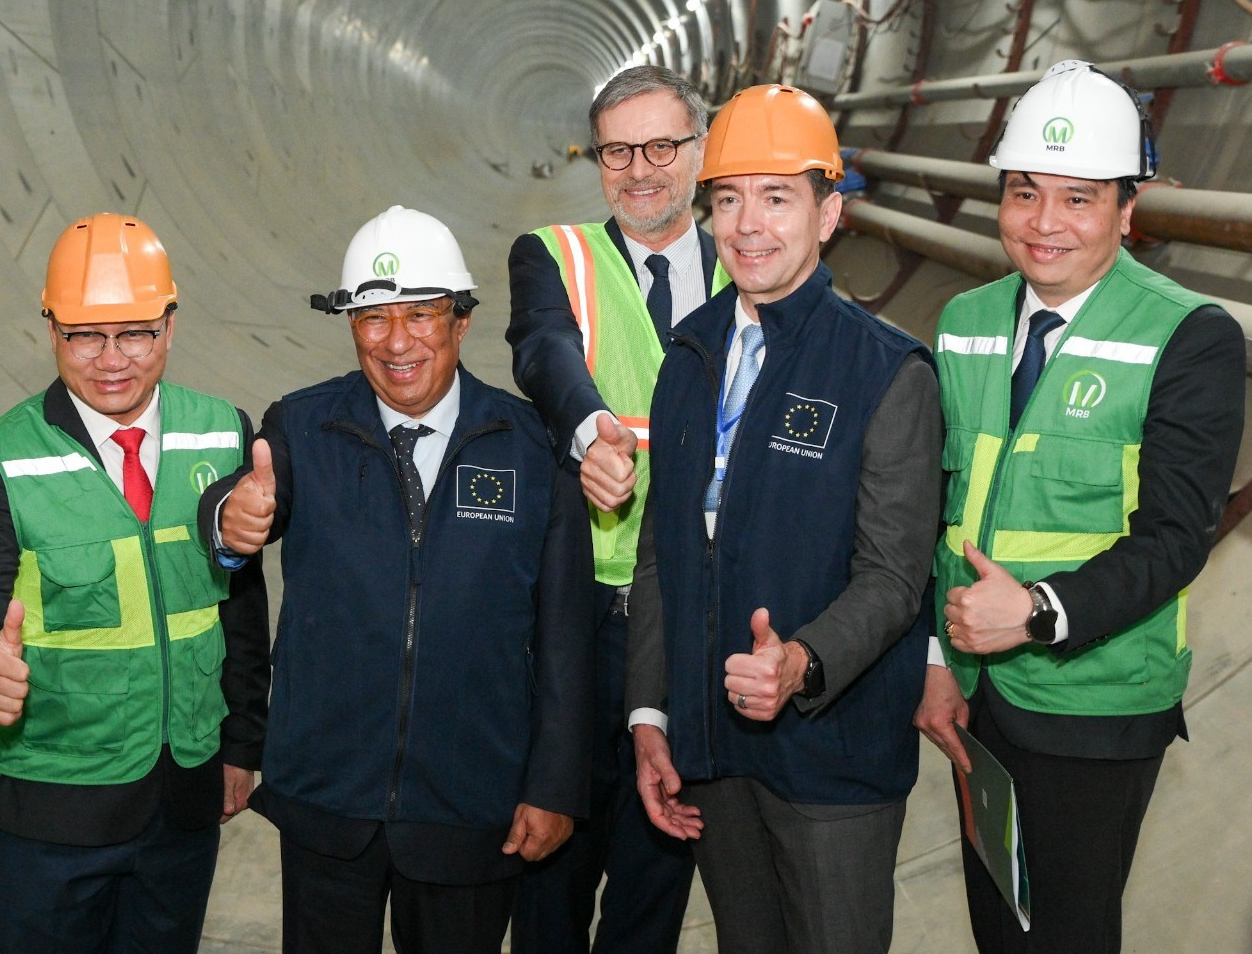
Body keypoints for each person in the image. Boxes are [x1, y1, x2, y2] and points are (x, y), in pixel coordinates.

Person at [914, 60, 1244, 953]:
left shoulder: (1189, 336)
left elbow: (1176, 537)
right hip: (979, 694)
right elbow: (946, 509)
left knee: (1068, 933)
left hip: (1097, 703)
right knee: (999, 924)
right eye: (1025, 194)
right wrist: (941, 656)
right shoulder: (963, 321)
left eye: (1079, 199)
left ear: (1127, 210)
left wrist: (1037, 610)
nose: (1045, 224)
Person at [210, 205, 593, 954]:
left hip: (470, 804)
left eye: (421, 315)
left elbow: (565, 635)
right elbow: (238, 503)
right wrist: (227, 521)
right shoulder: (303, 426)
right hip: (328, 798)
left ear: (461, 320)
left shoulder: (528, 445)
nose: (397, 342)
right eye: (373, 318)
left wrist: (553, 786)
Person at [625, 84, 942, 954]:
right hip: (713, 744)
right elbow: (662, 554)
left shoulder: (885, 370)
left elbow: (894, 576)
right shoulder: (688, 355)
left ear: (829, 212)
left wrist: (803, 660)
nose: (747, 224)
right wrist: (651, 716)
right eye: (728, 199)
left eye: (776, 197)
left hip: (830, 757)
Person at [0, 214, 270, 954]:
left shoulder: (224, 432)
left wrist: (242, 741)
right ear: (50, 330)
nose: (111, 360)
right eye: (85, 334)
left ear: (170, 327)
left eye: (137, 333)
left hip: (184, 797)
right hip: (54, 807)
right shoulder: (1, 455)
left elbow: (239, 605)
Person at [506, 63, 720, 953]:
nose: (641, 169)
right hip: (580, 619)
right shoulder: (555, 256)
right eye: (618, 150)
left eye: (663, 146)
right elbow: (544, 348)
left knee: (655, 879)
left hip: (694, 623)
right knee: (553, 874)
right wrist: (592, 428)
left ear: (701, 152)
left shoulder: (751, 262)